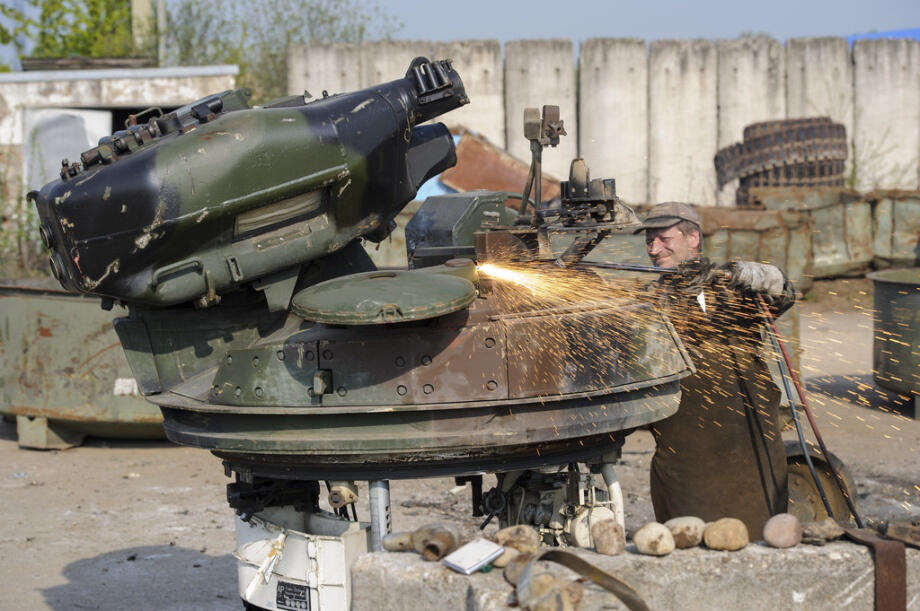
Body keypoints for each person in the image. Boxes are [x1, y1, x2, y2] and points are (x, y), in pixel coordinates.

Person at [636, 202, 796, 536]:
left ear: (693, 237)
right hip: (686, 455)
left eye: (663, 238)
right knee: (689, 541)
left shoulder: (732, 286)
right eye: (649, 240)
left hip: (748, 444)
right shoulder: (650, 298)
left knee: (757, 538)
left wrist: (773, 278)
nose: (653, 248)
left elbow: (784, 298)